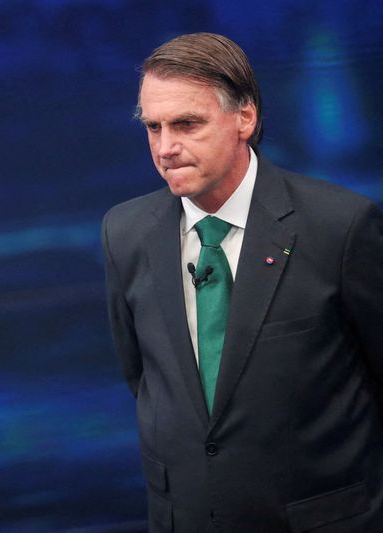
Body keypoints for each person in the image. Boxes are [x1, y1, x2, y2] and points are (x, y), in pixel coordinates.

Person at [102, 32, 383, 532]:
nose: (166, 148)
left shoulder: (339, 227)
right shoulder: (124, 233)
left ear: (245, 119)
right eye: (153, 127)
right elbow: (145, 380)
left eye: (187, 124)